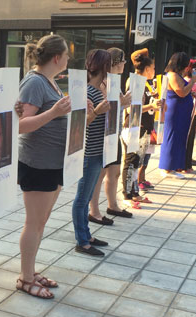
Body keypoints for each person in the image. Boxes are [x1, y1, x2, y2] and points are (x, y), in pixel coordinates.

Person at [16, 34, 71, 299]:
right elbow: (21, 124)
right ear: (57, 58)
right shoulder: (35, 81)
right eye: (68, 55)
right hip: (37, 163)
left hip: (52, 162)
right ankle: (26, 278)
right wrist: (54, 113)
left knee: (41, 222)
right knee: (34, 222)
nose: (69, 60)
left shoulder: (50, 81)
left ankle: (31, 270)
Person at [71, 49, 113, 257]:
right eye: (110, 65)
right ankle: (82, 240)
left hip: (97, 151)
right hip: (88, 152)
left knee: (86, 197)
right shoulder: (87, 92)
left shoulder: (98, 91)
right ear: (105, 67)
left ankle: (86, 235)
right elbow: (80, 123)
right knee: (82, 198)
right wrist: (97, 111)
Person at [89, 47, 132, 220]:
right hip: (104, 135)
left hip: (114, 132)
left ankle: (112, 205)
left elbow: (117, 105)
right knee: (99, 175)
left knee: (114, 172)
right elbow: (105, 107)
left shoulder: (115, 81)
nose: (124, 64)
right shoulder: (103, 82)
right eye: (123, 60)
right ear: (114, 62)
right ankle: (94, 210)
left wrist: (128, 102)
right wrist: (121, 102)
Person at [122, 49, 159, 206]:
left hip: (143, 126)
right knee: (131, 161)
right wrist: (151, 104)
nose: (155, 71)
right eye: (154, 68)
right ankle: (127, 195)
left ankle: (134, 192)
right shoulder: (135, 82)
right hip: (134, 126)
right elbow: (130, 109)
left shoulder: (144, 82)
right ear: (148, 68)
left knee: (137, 162)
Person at [159, 52, 196, 179]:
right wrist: (193, 82)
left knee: (179, 137)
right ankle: (167, 167)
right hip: (176, 110)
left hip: (181, 110)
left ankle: (173, 166)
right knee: (172, 137)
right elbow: (181, 92)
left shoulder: (176, 75)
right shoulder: (173, 75)